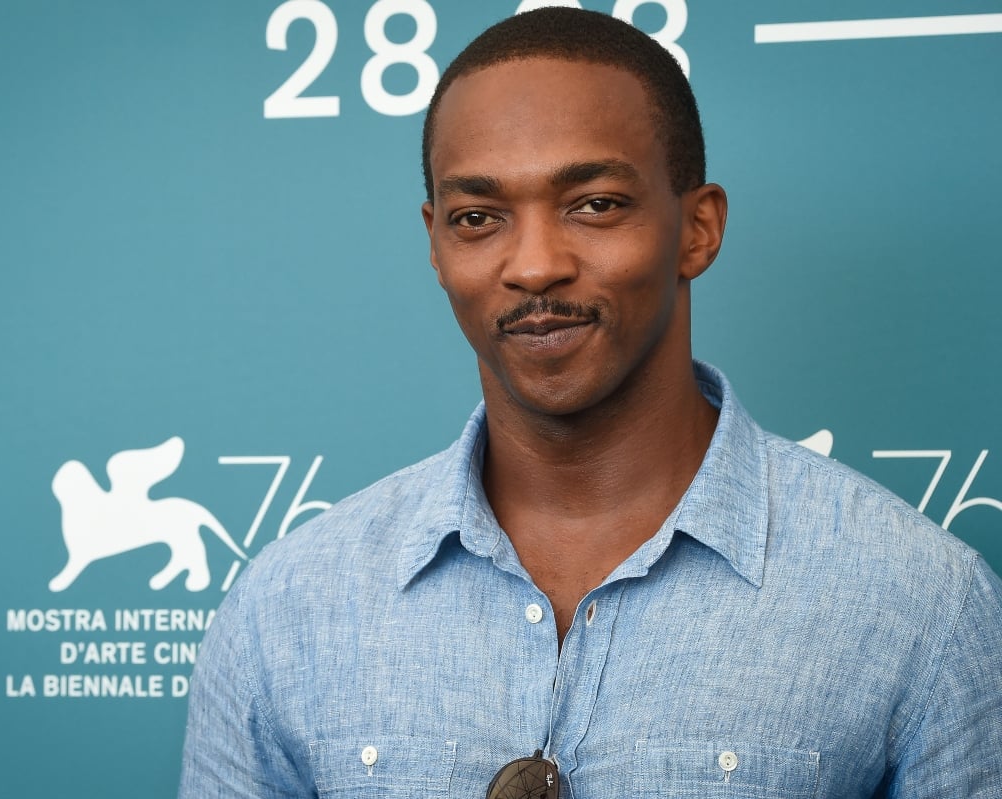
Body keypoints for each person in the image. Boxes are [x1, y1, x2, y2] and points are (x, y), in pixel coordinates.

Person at [179, 8, 1002, 797]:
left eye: (595, 204)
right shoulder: (286, 608)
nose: (534, 264)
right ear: (435, 244)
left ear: (697, 228)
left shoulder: (921, 603)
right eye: (478, 217)